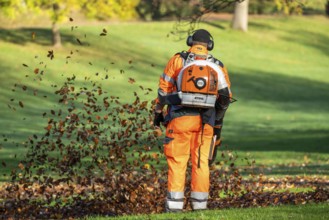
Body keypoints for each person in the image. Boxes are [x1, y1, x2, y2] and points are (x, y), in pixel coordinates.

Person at [153, 29, 232, 212]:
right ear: (209, 45)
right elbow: (226, 98)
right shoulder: (217, 66)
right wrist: (217, 122)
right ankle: (200, 207)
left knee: (177, 163)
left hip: (178, 121)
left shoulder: (178, 60)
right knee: (201, 163)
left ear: (190, 42)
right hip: (205, 123)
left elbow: (163, 91)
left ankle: (173, 208)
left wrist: (157, 113)